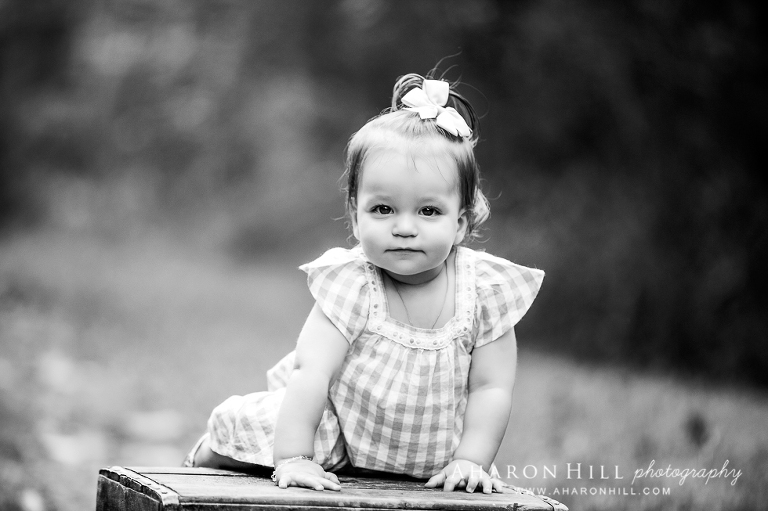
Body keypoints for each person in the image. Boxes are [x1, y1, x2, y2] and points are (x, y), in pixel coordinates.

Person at [183, 72, 544, 494]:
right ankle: (211, 454)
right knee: (261, 430)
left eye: (428, 211)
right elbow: (312, 371)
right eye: (383, 209)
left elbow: (491, 387)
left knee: (463, 472)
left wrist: (471, 460)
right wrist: (295, 457)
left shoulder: (485, 290)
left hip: (433, 449)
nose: (404, 227)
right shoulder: (353, 283)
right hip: (339, 428)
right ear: (356, 218)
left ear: (461, 223)